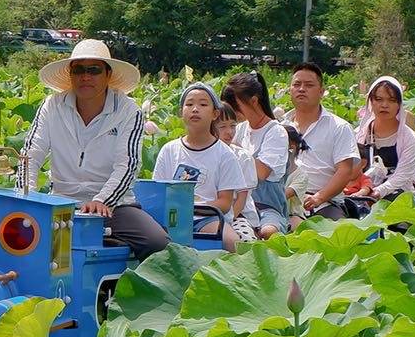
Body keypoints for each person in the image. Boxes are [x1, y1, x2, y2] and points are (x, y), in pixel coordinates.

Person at [17, 38, 168, 258]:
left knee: (157, 243)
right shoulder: (52, 105)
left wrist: (101, 201)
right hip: (60, 202)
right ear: (70, 75)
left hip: (114, 205)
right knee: (14, 237)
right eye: (78, 70)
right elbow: (31, 154)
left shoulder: (129, 111)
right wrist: (25, 198)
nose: (85, 77)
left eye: (94, 70)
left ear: (108, 75)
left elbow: (128, 165)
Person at [152, 83, 247, 250]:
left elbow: (225, 203)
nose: (195, 109)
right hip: (172, 218)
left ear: (215, 114)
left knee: (233, 243)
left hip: (208, 218)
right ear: (181, 112)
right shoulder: (169, 150)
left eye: (203, 104)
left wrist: (193, 207)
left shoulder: (225, 154)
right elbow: (158, 192)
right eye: (189, 104)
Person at [281, 62, 361, 223]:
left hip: (324, 202)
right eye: (297, 84)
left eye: (309, 85)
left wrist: (319, 197)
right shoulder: (279, 127)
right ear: (290, 89)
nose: (301, 89)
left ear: (322, 92)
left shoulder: (339, 127)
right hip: (283, 200)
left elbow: (345, 171)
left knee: (337, 236)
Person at [221, 71, 291, 239]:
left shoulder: (276, 132)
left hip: (266, 207)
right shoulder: (240, 129)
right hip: (236, 203)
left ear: (254, 101)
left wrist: (234, 150)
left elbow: (261, 172)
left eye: (235, 106)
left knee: (268, 232)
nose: (232, 112)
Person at [354, 75, 415, 203]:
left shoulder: (410, 138)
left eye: (391, 100)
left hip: (398, 195)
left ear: (399, 105)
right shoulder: (358, 135)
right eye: (378, 99)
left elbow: (402, 175)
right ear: (371, 102)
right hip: (360, 194)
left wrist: (378, 192)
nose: (384, 105)